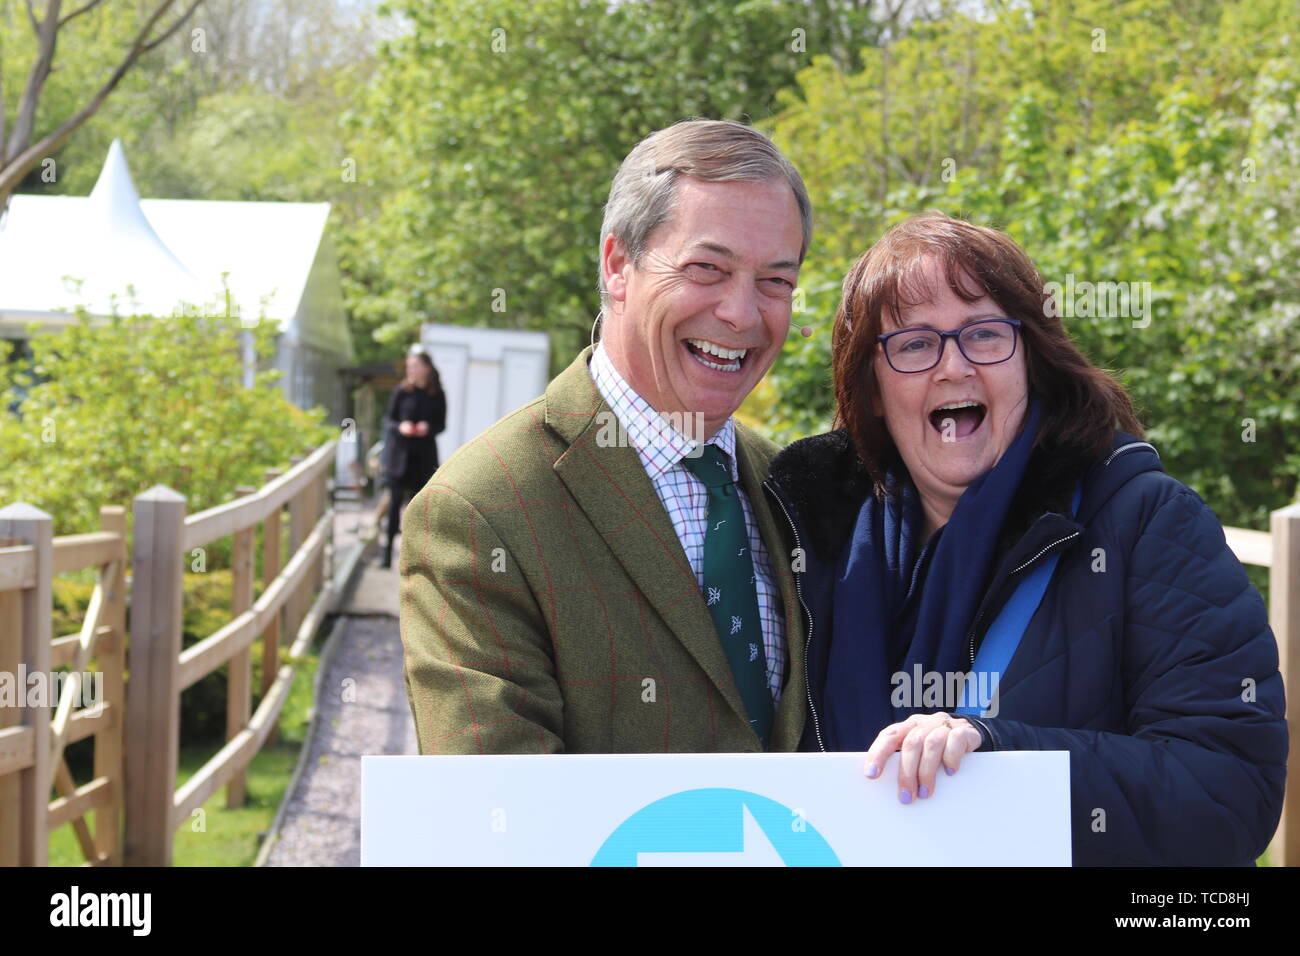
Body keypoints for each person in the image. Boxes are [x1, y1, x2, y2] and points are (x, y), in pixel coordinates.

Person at [764, 212, 1288, 865]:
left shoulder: (1149, 522)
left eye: (985, 334)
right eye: (916, 344)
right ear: (871, 388)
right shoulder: (802, 538)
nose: (953, 367)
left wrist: (998, 757)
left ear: (1031, 361)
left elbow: (1229, 795)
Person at [399, 119, 813, 753]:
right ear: (619, 265)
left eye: (776, 282)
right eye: (706, 268)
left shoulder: (795, 486)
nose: (742, 313)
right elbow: (494, 814)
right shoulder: (480, 511)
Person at [380, 349, 446, 568]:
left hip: (423, 458)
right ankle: (387, 556)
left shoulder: (437, 394)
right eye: (409, 366)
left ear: (426, 368)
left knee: (417, 510)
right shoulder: (401, 391)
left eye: (415, 366)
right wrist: (402, 427)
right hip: (399, 459)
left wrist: (428, 427)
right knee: (393, 507)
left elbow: (441, 425)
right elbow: (389, 421)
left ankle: (413, 560)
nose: (411, 370)